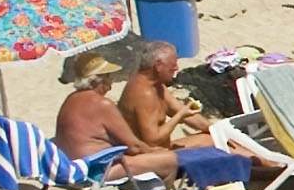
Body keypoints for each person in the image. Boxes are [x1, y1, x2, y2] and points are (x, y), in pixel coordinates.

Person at [54, 75, 185, 176]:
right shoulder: (102, 104)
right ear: (97, 81)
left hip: (67, 166)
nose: (110, 86)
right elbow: (134, 147)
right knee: (171, 160)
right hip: (96, 170)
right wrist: (156, 151)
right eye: (108, 78)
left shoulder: (71, 98)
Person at [116, 43, 208, 149]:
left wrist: (215, 129)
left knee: (213, 137)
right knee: (213, 145)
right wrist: (179, 116)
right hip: (148, 157)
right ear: (158, 66)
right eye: (173, 65)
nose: (177, 68)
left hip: (163, 149)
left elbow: (180, 110)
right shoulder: (144, 94)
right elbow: (152, 141)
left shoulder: (156, 85)